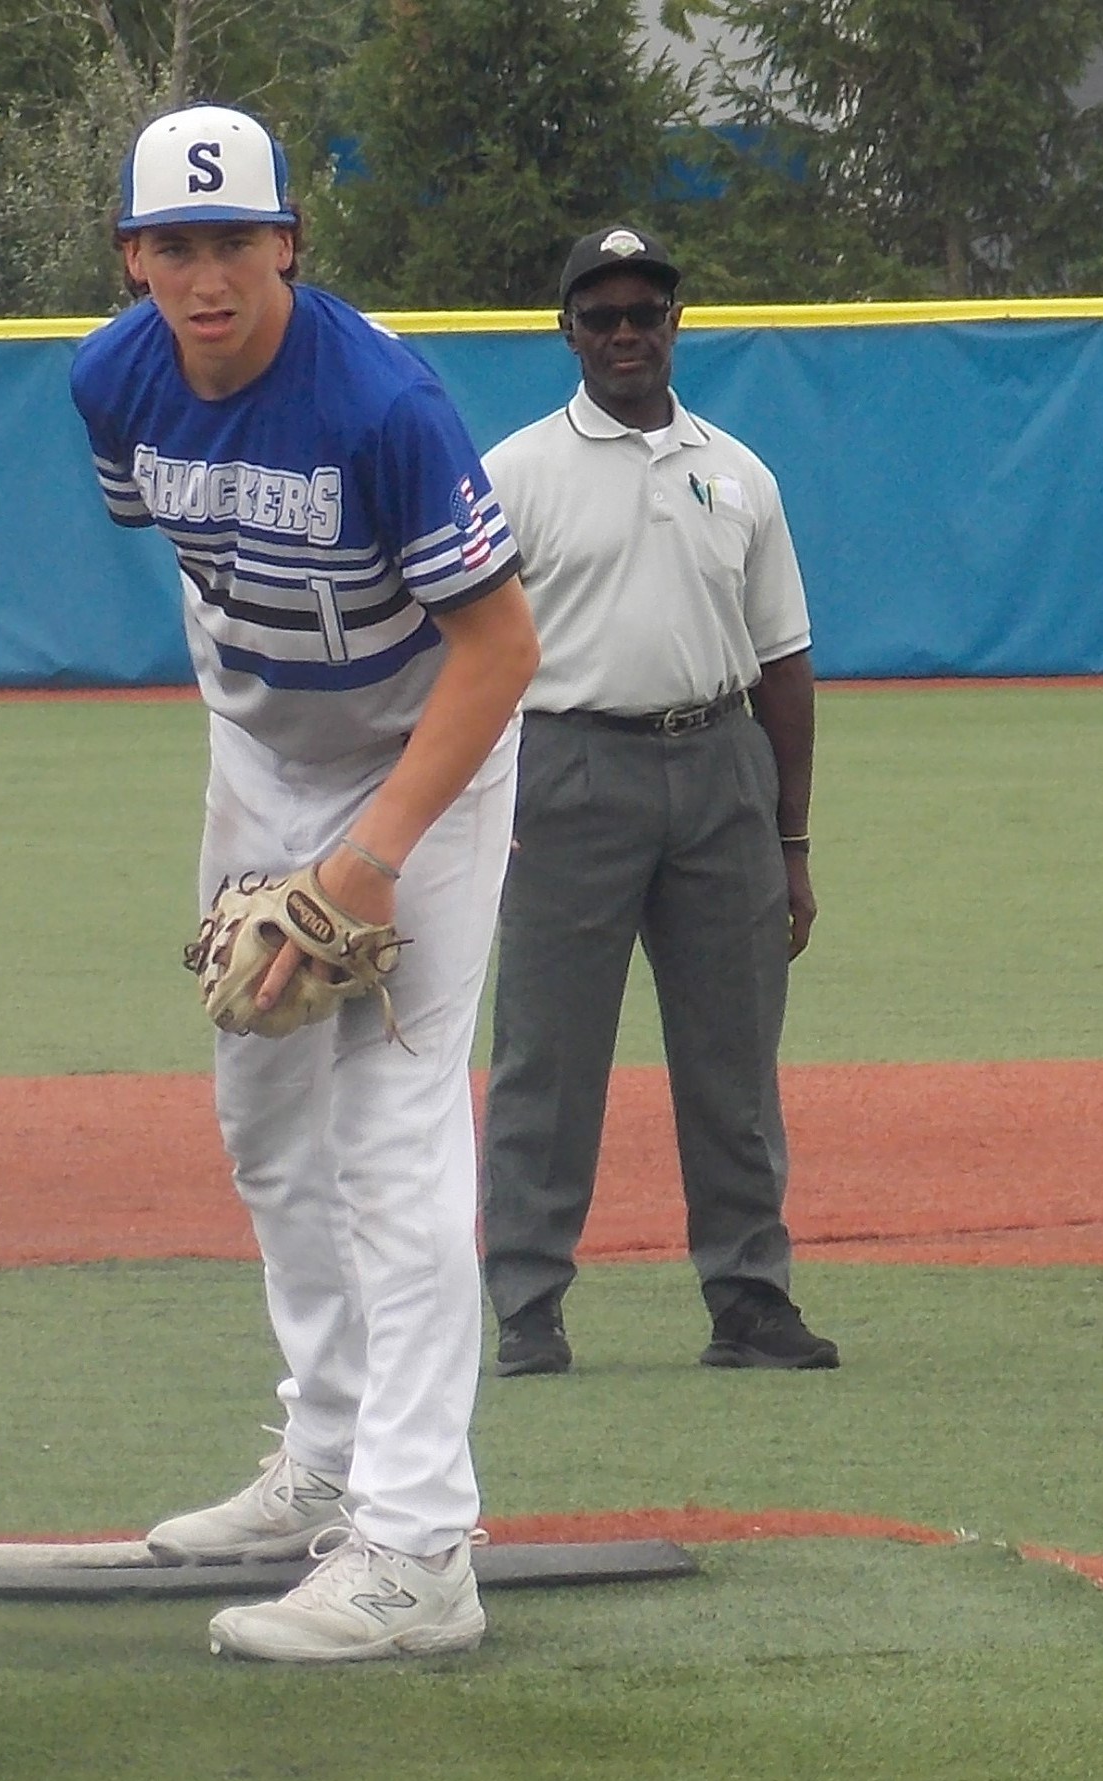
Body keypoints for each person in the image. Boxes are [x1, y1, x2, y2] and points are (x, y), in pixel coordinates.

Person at [67, 104, 540, 1662]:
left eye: (235, 241)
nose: (207, 275)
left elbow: (499, 648)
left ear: (289, 242)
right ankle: (324, 1455)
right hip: (265, 749)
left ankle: (417, 1548)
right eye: (174, 245)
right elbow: (202, 580)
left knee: (392, 1140)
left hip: (431, 755)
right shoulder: (113, 381)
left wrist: (371, 856)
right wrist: (273, 817)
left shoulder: (383, 402)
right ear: (133, 256)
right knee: (264, 1116)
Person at [478, 224, 838, 1379]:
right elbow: (469, 656)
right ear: (567, 330)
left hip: (720, 765)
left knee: (734, 1053)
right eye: (602, 315)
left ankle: (748, 1296)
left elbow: (782, 660)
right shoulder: (514, 471)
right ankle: (527, 1304)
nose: (626, 333)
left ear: (675, 324)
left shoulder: (738, 471)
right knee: (548, 1056)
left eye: (646, 313)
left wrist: (790, 838)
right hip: (570, 769)